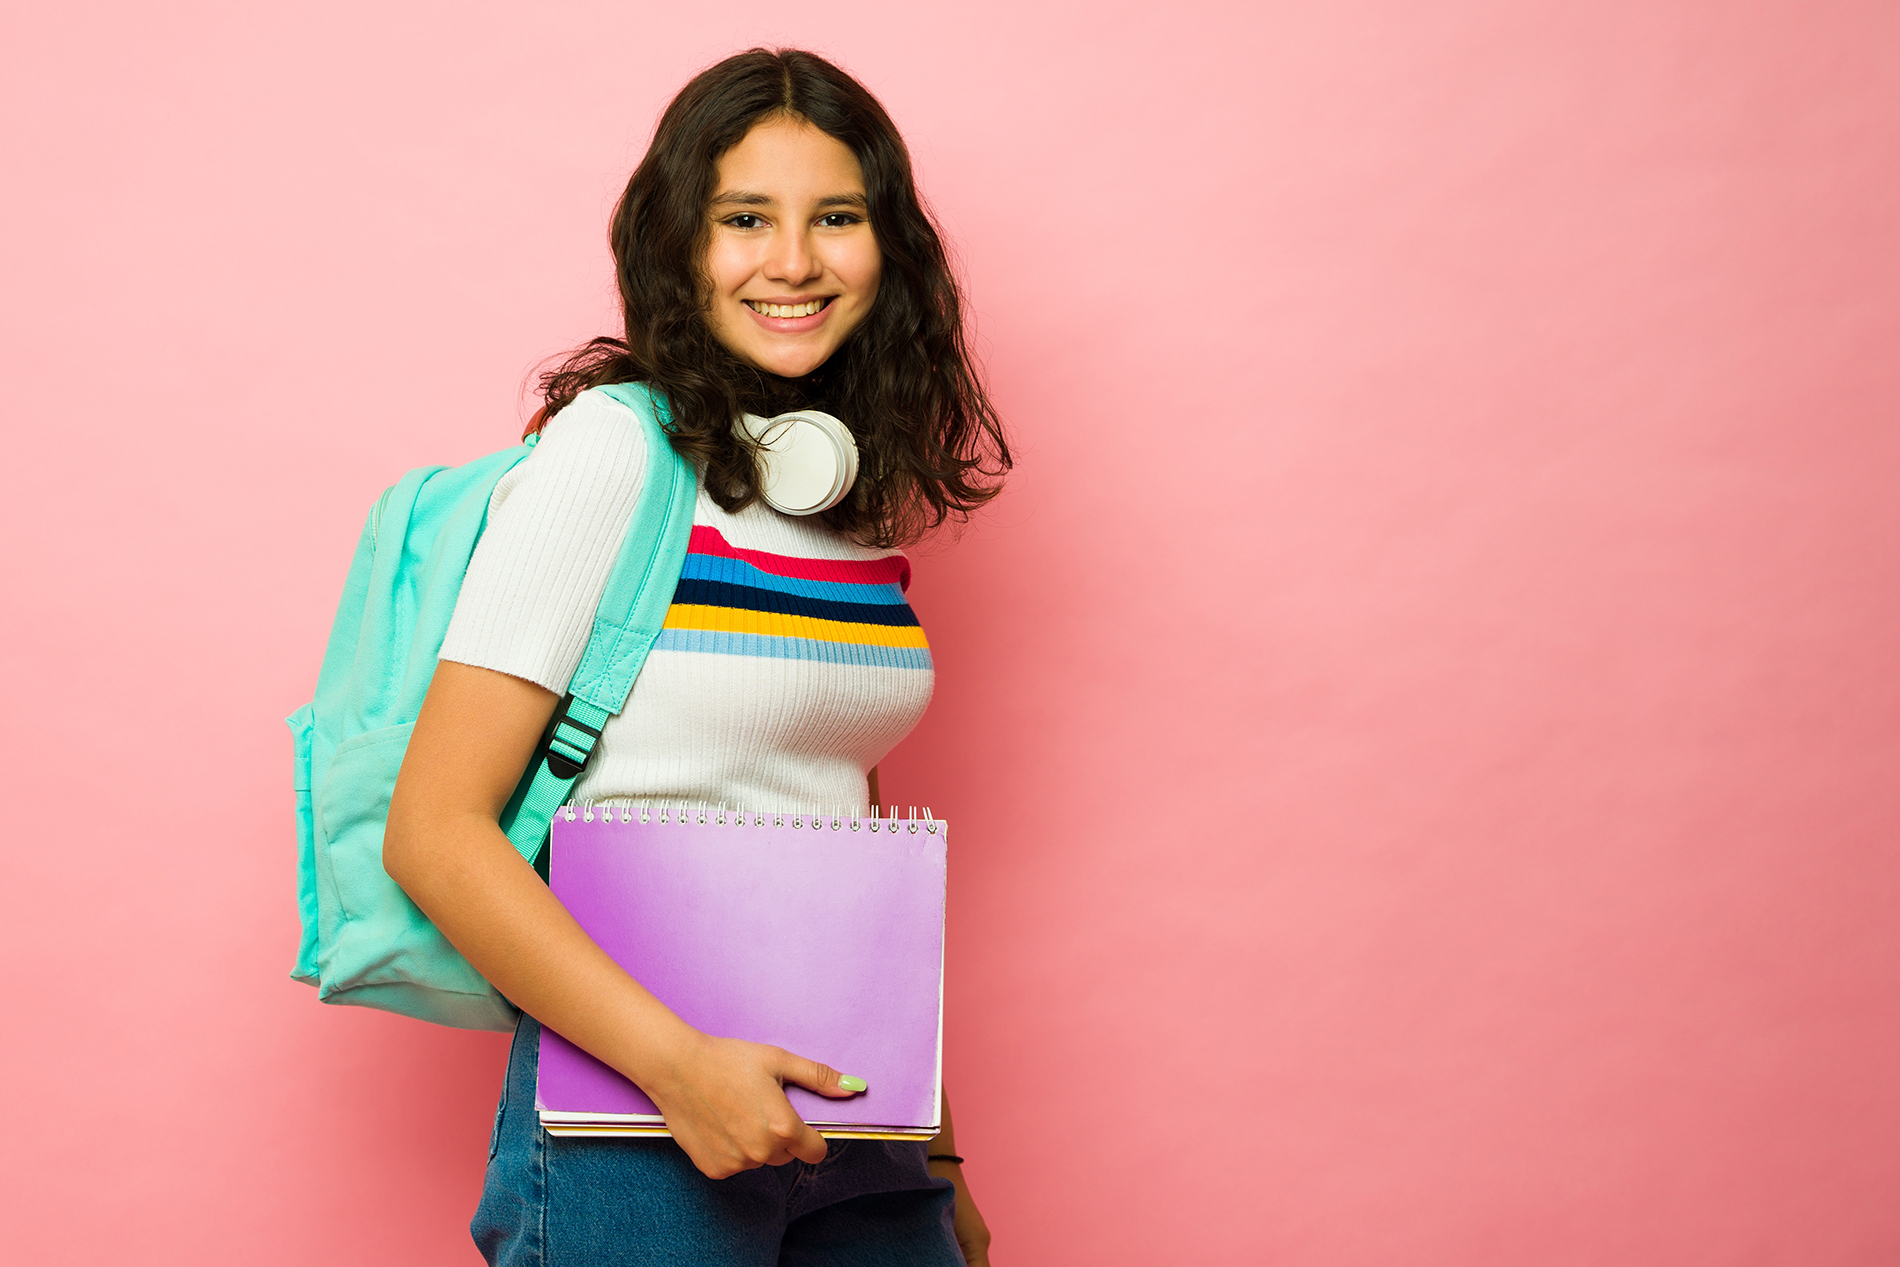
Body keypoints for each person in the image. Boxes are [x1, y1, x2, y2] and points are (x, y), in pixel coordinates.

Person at [382, 47, 1009, 1267]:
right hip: (636, 1120)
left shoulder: (852, 496)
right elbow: (435, 829)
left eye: (835, 217)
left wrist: (937, 1151)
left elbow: (839, 824)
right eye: (743, 220)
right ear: (680, 243)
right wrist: (681, 1072)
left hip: (857, 1116)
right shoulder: (612, 456)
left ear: (890, 249)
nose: (792, 261)